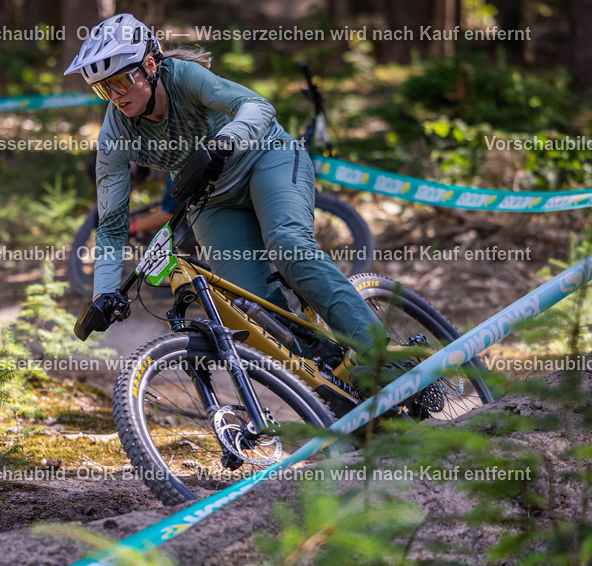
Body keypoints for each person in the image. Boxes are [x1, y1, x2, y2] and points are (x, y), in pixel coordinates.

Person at [65, 13, 382, 353]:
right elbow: (112, 225)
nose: (115, 96)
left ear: (150, 65)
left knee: (288, 247)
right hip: (211, 199)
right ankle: (328, 373)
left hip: (266, 157)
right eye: (103, 88)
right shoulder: (115, 135)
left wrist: (227, 139)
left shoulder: (184, 77)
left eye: (122, 83)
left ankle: (383, 358)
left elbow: (258, 106)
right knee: (246, 307)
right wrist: (104, 293)